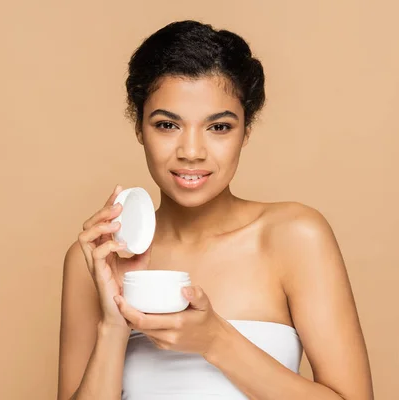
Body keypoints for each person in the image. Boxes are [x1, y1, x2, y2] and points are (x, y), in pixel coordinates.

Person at [57, 20, 374, 400]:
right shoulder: (94, 258)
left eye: (219, 127)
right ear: (140, 127)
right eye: (167, 124)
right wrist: (113, 325)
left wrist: (216, 341)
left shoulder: (294, 237)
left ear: (246, 130)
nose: (191, 151)